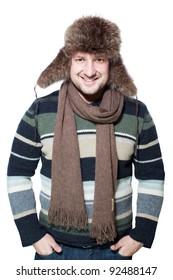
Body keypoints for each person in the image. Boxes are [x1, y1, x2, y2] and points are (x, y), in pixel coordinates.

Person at [7, 16, 165, 260]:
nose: (90, 71)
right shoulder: (40, 111)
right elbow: (17, 173)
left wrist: (142, 234)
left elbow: (152, 176)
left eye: (99, 59)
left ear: (112, 64)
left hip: (115, 251)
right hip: (54, 251)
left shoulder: (135, 113)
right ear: (67, 63)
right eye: (80, 59)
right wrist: (31, 234)